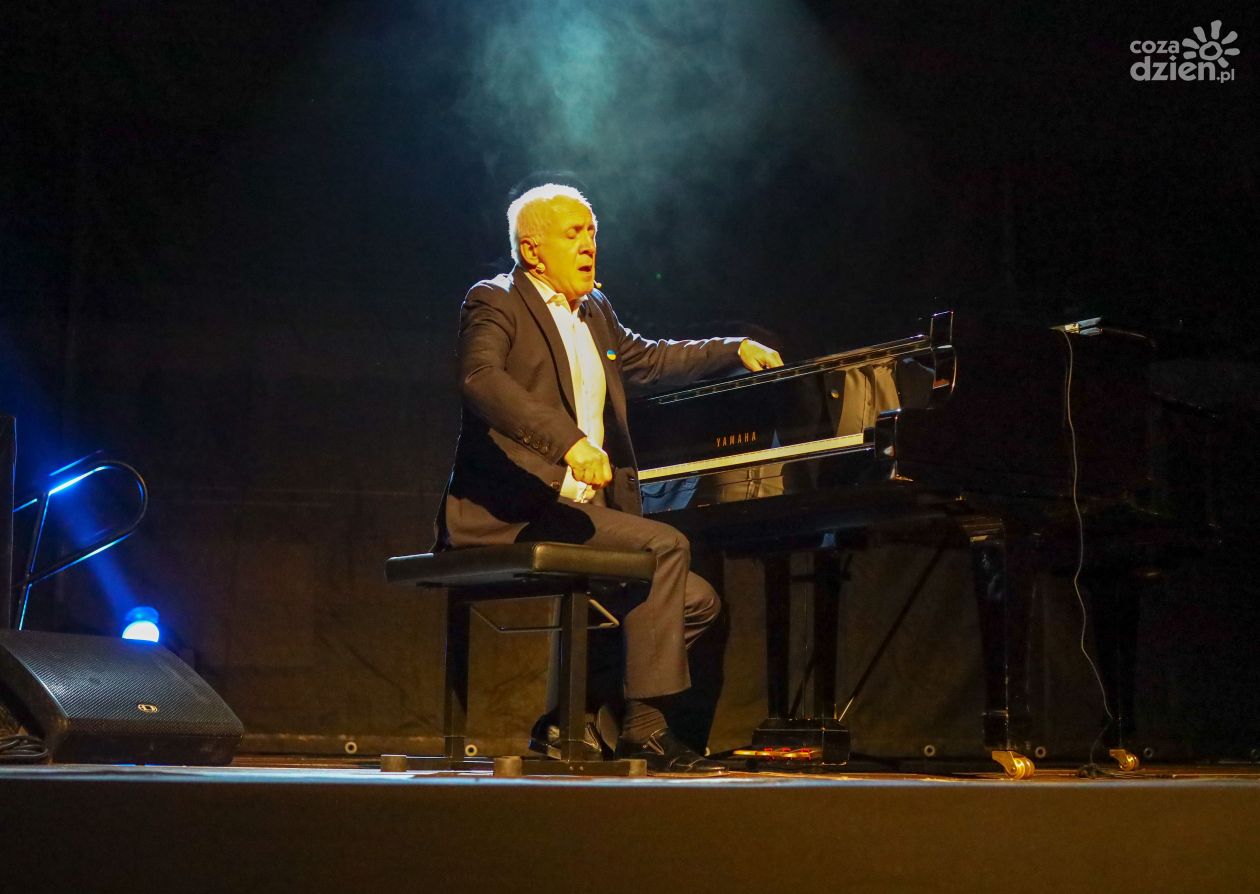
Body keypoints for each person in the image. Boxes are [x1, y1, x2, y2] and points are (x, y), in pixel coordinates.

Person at [434, 183, 782, 775]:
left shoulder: (594, 310)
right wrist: (568, 443)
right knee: (665, 546)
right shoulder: (495, 301)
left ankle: (567, 721)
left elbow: (651, 358)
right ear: (533, 250)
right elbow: (481, 380)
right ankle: (645, 732)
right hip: (514, 512)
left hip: (574, 515)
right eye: (573, 233)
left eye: (592, 232)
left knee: (697, 601)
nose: (589, 244)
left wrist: (732, 348)